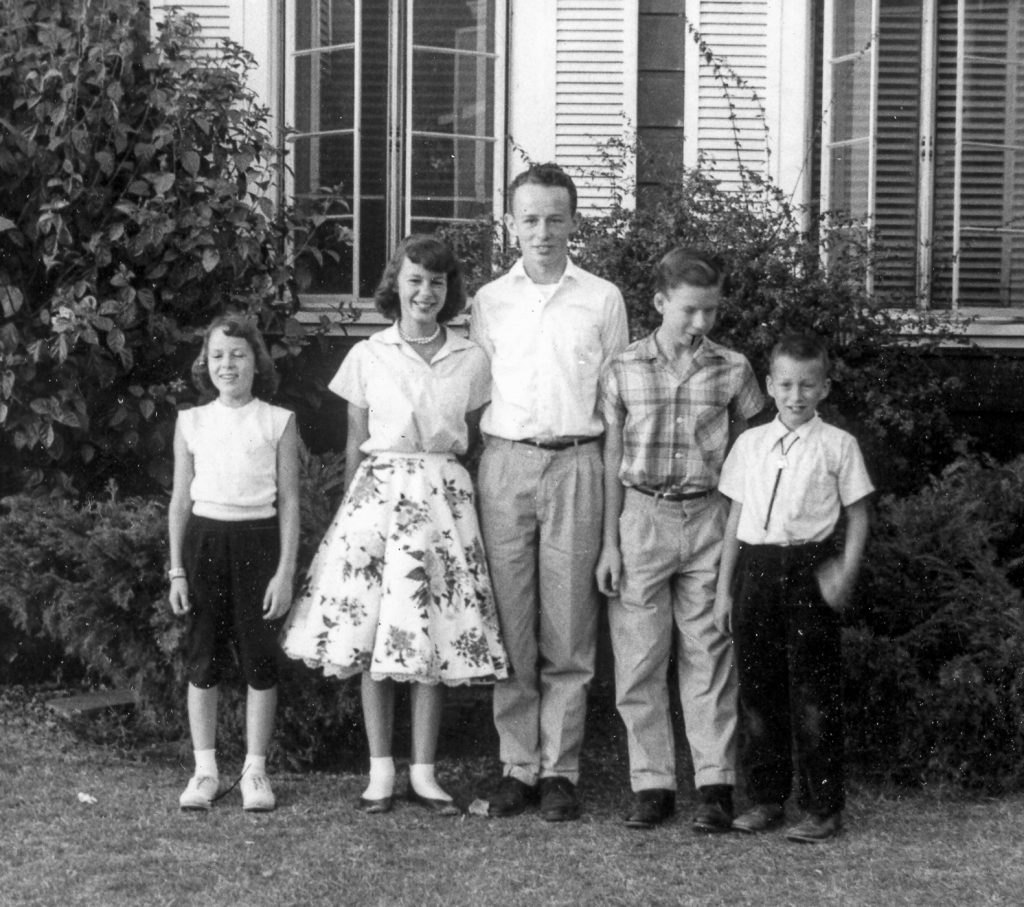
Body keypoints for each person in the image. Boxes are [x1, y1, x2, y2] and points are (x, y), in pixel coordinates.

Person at [281, 234, 508, 817]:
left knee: (431, 632)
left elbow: (479, 440)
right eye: (414, 280)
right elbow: (356, 443)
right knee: (375, 635)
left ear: (448, 290)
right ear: (396, 285)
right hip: (377, 500)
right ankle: (381, 772)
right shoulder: (368, 355)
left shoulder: (472, 358)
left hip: (444, 501)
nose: (424, 292)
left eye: (436, 282)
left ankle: (425, 773)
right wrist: (348, 518)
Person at [471, 162, 629, 821]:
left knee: (568, 627)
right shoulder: (489, 300)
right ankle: (517, 767)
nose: (543, 231)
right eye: (530, 218)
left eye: (555, 218)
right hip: (505, 464)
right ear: (512, 223)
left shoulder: (602, 298)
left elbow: (617, 404)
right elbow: (474, 390)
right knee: (509, 626)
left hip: (576, 463)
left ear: (573, 222)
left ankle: (560, 770)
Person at [596, 247, 763, 832]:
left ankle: (715, 784)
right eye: (690, 310)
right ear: (661, 301)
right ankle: (653, 784)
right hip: (642, 518)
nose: (701, 324)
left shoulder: (734, 369)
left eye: (711, 312)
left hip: (710, 518)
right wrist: (611, 542)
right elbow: (612, 454)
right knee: (639, 656)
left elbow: (749, 452)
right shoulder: (623, 367)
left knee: (709, 652)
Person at [715, 332, 873, 843]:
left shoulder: (838, 446)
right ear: (769, 386)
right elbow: (735, 520)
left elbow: (858, 513)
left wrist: (844, 573)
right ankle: (766, 800)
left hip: (809, 570)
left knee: (813, 692)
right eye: (786, 384)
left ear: (825, 387)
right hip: (755, 572)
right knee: (758, 690)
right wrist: (723, 590)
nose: (796, 395)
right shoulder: (749, 444)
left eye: (808, 385)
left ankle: (822, 807)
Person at [168, 314, 300, 813]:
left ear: (256, 362)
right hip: (205, 542)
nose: (228, 364)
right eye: (218, 355)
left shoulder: (277, 420)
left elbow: (289, 501)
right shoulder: (191, 421)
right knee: (203, 655)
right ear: (206, 362)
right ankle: (204, 770)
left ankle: (255, 771)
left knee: (259, 657)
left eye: (239, 355)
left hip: (259, 542)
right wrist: (176, 569)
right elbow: (180, 501)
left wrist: (284, 571)